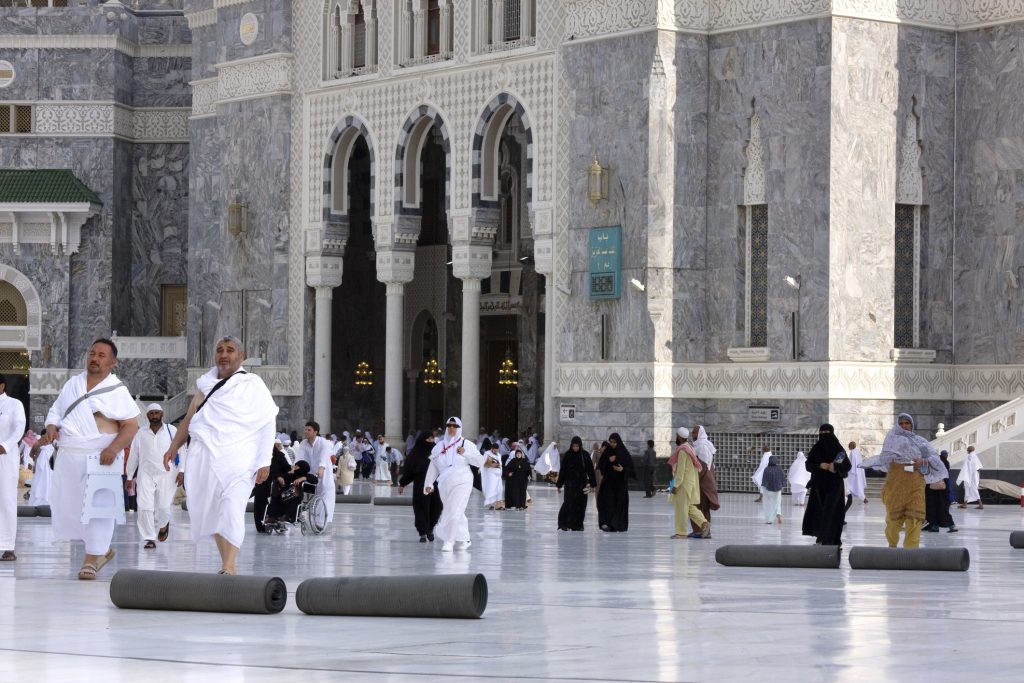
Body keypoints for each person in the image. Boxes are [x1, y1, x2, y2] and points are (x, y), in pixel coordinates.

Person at [162, 336, 278, 575]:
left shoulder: (252, 384)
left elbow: (267, 422)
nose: (224, 355)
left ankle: (229, 565)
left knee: (232, 507)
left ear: (241, 356)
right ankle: (227, 564)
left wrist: (264, 461)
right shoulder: (205, 385)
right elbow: (189, 419)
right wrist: (173, 447)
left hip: (240, 459)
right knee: (215, 512)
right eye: (220, 350)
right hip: (206, 459)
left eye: (230, 350)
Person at [46, 339, 139, 578]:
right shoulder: (73, 384)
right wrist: (52, 426)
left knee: (99, 506)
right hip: (70, 455)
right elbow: (56, 410)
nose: (95, 359)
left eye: (101, 355)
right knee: (72, 507)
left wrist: (114, 449)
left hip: (101, 457)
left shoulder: (117, 390)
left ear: (112, 362)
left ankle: (92, 558)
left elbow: (130, 426)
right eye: (92, 353)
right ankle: (102, 550)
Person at [860, 414, 947, 549]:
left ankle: (911, 551)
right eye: (901, 423)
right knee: (893, 521)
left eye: (907, 423)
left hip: (916, 484)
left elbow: (933, 458)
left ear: (912, 425)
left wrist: (923, 461)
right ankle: (892, 545)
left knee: (915, 518)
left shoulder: (920, 442)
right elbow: (884, 458)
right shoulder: (891, 440)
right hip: (896, 484)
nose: (904, 426)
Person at [424, 417, 485, 551]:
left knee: (454, 510)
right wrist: (429, 483)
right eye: (449, 425)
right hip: (444, 484)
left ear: (459, 428)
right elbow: (433, 466)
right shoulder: (439, 446)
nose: (451, 428)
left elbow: (480, 461)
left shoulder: (466, 444)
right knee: (454, 510)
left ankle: (449, 541)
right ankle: (465, 538)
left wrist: (465, 453)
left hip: (463, 482)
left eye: (455, 426)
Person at [126, 403, 181, 549]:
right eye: (151, 413)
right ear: (147, 415)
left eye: (157, 413)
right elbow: (134, 455)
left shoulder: (171, 430)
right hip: (146, 473)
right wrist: (129, 477)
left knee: (164, 506)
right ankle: (149, 538)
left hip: (167, 474)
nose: (154, 416)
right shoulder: (140, 433)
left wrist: (182, 471)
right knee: (144, 506)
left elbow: (182, 449)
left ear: (162, 414)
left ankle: (163, 526)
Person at [801, 424, 851, 546]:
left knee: (832, 512)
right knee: (819, 512)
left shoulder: (838, 449)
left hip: (834, 487)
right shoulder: (816, 448)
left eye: (826, 433)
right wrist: (820, 465)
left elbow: (847, 465)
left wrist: (835, 466)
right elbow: (808, 465)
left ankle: (831, 539)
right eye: (822, 433)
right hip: (819, 486)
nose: (824, 435)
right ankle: (821, 537)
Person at [0, 373, 27, 561]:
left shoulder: (14, 404)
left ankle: (8, 546)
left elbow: (19, 428)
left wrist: (5, 445)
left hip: (4, 457)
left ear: (2, 386)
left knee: (6, 498)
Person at [399, 430, 442, 542]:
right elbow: (409, 470)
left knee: (436, 507)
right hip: (420, 485)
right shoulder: (416, 454)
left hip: (435, 485)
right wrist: (402, 483)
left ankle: (430, 528)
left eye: (432, 438)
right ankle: (423, 532)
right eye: (428, 439)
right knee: (421, 508)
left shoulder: (436, 452)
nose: (430, 441)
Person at [669, 428, 710, 539]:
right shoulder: (689, 448)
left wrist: (675, 485)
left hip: (683, 484)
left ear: (679, 437)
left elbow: (681, 470)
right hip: (690, 483)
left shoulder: (683, 451)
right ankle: (704, 523)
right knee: (689, 507)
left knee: (681, 508)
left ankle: (681, 533)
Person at [297, 421, 335, 526]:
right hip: (311, 473)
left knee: (326, 493)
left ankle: (321, 521)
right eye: (305, 429)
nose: (306, 431)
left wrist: (321, 468)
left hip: (324, 472)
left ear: (315, 432)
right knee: (311, 495)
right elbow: (300, 458)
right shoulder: (303, 443)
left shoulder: (323, 442)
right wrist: (295, 468)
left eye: (309, 430)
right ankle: (313, 517)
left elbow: (324, 456)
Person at [596, 433, 635, 532]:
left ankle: (616, 524)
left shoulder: (624, 453)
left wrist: (622, 469)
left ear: (618, 442)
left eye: (614, 442)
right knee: (607, 503)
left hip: (620, 485)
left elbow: (632, 470)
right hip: (608, 484)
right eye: (611, 442)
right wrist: (608, 461)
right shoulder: (607, 452)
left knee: (618, 504)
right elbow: (601, 466)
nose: (612, 444)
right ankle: (607, 524)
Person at [556, 437, 596, 531]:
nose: (575, 448)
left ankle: (578, 525)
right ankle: (563, 524)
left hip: (582, 484)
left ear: (580, 446)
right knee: (568, 504)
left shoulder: (585, 455)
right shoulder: (568, 455)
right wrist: (559, 484)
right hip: (570, 484)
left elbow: (590, 470)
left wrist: (592, 483)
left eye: (577, 446)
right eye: (574, 446)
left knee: (581, 505)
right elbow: (563, 471)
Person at [253, 439, 291, 533]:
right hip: (272, 485)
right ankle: (272, 521)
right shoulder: (279, 455)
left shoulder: (259, 456)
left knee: (260, 504)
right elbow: (287, 469)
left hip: (263, 484)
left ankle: (261, 525)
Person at [689, 426, 720, 534]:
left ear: (699, 433)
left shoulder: (702, 446)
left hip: (702, 482)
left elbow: (703, 466)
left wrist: (694, 480)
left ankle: (702, 531)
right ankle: (700, 531)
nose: (692, 434)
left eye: (694, 432)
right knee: (699, 506)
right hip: (702, 480)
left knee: (700, 506)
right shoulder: (699, 445)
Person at [924, 449, 958, 534]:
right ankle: (950, 525)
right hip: (942, 487)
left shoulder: (927, 461)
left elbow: (924, 471)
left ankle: (935, 526)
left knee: (932, 507)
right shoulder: (942, 461)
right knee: (942, 508)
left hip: (931, 487)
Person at [504, 441, 532, 510]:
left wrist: (529, 476)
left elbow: (529, 469)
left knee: (523, 492)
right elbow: (507, 469)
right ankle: (517, 505)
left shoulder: (524, 461)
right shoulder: (513, 461)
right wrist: (509, 473)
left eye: (519, 454)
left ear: (521, 454)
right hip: (515, 480)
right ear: (515, 454)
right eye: (517, 454)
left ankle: (522, 505)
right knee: (516, 493)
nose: (518, 455)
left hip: (523, 480)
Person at [26, 438, 54, 507]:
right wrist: (35, 459)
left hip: (46, 471)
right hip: (42, 471)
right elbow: (31, 454)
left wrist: (35, 459)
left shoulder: (48, 447)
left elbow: (31, 455)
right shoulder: (38, 444)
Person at [956, 445, 984, 509]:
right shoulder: (972, 456)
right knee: (967, 489)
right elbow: (978, 468)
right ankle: (965, 504)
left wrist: (975, 477)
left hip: (972, 477)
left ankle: (981, 504)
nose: (967, 450)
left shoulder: (971, 457)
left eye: (967, 449)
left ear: (969, 450)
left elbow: (977, 468)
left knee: (973, 490)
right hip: (970, 476)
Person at [480, 440, 505, 510]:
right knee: (492, 489)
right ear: (492, 449)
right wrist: (491, 465)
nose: (496, 451)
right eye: (495, 450)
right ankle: (491, 504)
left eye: (497, 450)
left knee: (499, 489)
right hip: (491, 474)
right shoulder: (487, 454)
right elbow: (483, 464)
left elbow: (500, 464)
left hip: (498, 474)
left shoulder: (499, 455)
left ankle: (498, 505)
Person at [761, 456, 785, 524]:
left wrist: (762, 490)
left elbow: (764, 481)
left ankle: (769, 520)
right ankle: (778, 514)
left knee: (768, 504)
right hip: (777, 489)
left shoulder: (766, 469)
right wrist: (782, 485)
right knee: (777, 503)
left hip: (768, 490)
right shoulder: (779, 469)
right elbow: (783, 478)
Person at [846, 441, 868, 509]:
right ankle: (863, 498)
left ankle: (847, 496)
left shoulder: (852, 452)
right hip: (858, 471)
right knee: (857, 486)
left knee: (849, 484)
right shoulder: (857, 451)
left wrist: (850, 470)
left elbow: (851, 462)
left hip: (853, 472)